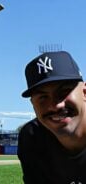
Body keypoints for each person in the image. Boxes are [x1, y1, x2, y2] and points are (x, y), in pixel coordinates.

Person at [18, 51, 86, 183]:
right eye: (43, 97)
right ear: (33, 104)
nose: (55, 105)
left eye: (63, 91)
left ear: (84, 92)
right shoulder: (32, 138)